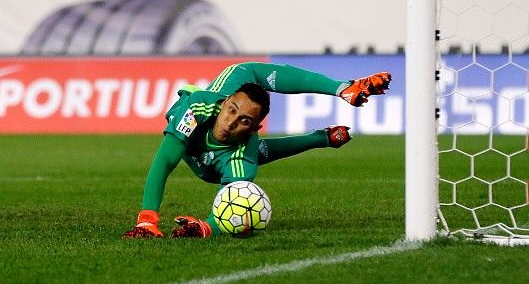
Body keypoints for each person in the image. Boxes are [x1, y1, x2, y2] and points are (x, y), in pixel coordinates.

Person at [122, 62, 391, 238]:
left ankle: (319, 137)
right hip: (198, 117)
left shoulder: (242, 158)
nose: (231, 122)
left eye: (245, 121)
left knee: (259, 152)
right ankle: (340, 93)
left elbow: (231, 206)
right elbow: (165, 160)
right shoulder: (197, 108)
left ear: (254, 127)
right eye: (231, 111)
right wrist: (147, 219)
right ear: (226, 102)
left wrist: (205, 227)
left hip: (225, 160)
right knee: (244, 70)